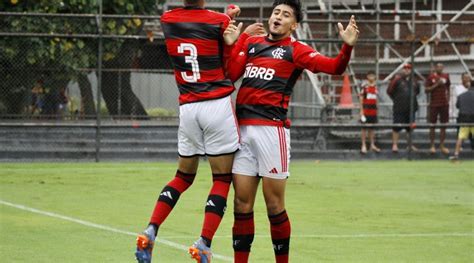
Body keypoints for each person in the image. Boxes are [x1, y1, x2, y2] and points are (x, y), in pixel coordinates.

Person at [223, 0, 358, 262]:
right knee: (241, 204)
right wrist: (237, 42)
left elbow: (334, 68)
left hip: (272, 133)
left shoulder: (296, 50)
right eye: (276, 13)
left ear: (294, 25)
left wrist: (347, 47)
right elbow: (231, 74)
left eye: (285, 15)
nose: (278, 18)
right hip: (242, 132)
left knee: (274, 205)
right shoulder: (253, 44)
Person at [134, 2, 265, 263]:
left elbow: (197, 32)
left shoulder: (167, 19)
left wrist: (226, 19)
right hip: (216, 104)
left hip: (188, 107)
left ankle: (151, 229)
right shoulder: (217, 21)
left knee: (182, 177)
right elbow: (229, 66)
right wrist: (243, 36)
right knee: (221, 179)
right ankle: (203, 242)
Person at [387, 63, 420, 153]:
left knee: (410, 128)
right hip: (399, 107)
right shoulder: (397, 80)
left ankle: (410, 145)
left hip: (411, 108)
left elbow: (417, 91)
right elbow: (389, 91)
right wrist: (397, 99)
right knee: (396, 127)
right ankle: (394, 145)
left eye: (408, 68)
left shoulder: (414, 81)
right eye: (405, 68)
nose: (406, 70)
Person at [425, 63, 451, 154]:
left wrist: (448, 100)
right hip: (434, 104)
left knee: (443, 125)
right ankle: (432, 145)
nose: (440, 68)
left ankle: (442, 145)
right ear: (435, 68)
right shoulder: (430, 77)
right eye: (438, 67)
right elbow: (426, 90)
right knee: (432, 125)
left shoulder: (446, 76)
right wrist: (436, 84)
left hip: (444, 104)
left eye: (442, 67)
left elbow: (448, 88)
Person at [450, 77, 474, 160]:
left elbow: (457, 106)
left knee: (460, 137)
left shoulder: (461, 95)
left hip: (464, 119)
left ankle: (456, 155)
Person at [359, 71, 381, 154]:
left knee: (372, 129)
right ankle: (363, 145)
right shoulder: (364, 87)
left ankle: (372, 144)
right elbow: (361, 99)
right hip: (365, 111)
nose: (371, 77)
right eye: (370, 75)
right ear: (367, 77)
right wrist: (361, 111)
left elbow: (377, 100)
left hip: (373, 111)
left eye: (373, 75)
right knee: (364, 128)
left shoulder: (376, 87)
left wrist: (377, 110)